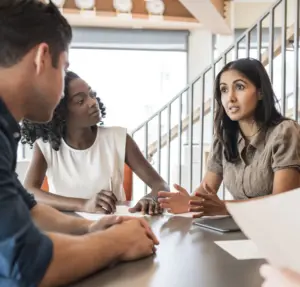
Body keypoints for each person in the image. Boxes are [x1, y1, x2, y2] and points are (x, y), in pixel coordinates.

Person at [0, 1, 158, 286]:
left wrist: (91, 226)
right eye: (64, 69)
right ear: (42, 58)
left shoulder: (5, 131)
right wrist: (117, 242)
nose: (62, 85)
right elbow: (25, 265)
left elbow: (28, 208)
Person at [158, 58, 300, 216]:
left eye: (239, 87)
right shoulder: (224, 138)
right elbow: (205, 193)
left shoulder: (285, 132)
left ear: (260, 92)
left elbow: (282, 204)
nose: (230, 98)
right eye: (224, 90)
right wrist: (188, 202)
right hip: (241, 231)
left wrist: (226, 207)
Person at [21, 71, 170, 215]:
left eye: (91, 95)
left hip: (113, 229)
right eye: (81, 101)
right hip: (66, 230)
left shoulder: (118, 138)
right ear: (60, 113)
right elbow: (29, 191)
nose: (93, 102)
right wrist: (84, 204)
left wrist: (151, 198)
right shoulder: (45, 146)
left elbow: (161, 185)